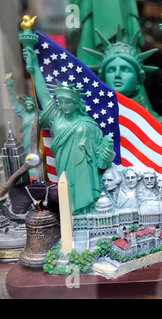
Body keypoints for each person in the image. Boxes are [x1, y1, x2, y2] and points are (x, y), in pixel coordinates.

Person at [22, 47, 116, 215]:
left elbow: (101, 152)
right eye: (61, 102)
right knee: (68, 197)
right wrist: (34, 66)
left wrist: (106, 151)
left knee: (86, 200)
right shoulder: (57, 117)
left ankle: (87, 214)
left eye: (68, 102)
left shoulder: (89, 124)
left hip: (86, 170)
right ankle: (71, 219)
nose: (64, 106)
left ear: (76, 102)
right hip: (64, 166)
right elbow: (43, 95)